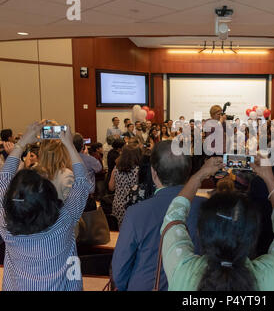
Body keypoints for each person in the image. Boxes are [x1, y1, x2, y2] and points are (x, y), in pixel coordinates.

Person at [160, 156, 274, 290]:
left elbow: (173, 217)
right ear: (253, 238)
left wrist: (200, 175)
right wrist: (270, 179)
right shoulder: (272, 273)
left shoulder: (183, 270)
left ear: (199, 233)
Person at [0, 121, 93, 290]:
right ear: (47, 199)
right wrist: (70, 146)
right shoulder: (63, 222)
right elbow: (83, 183)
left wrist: (22, 142)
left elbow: (4, 178)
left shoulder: (5, 225)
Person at [112, 141, 205, 291]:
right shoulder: (207, 207)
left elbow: (120, 270)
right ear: (189, 171)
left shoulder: (136, 213)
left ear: (154, 173)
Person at [108, 143, 142, 226]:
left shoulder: (116, 168)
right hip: (133, 207)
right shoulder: (139, 170)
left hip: (118, 205)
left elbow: (111, 187)